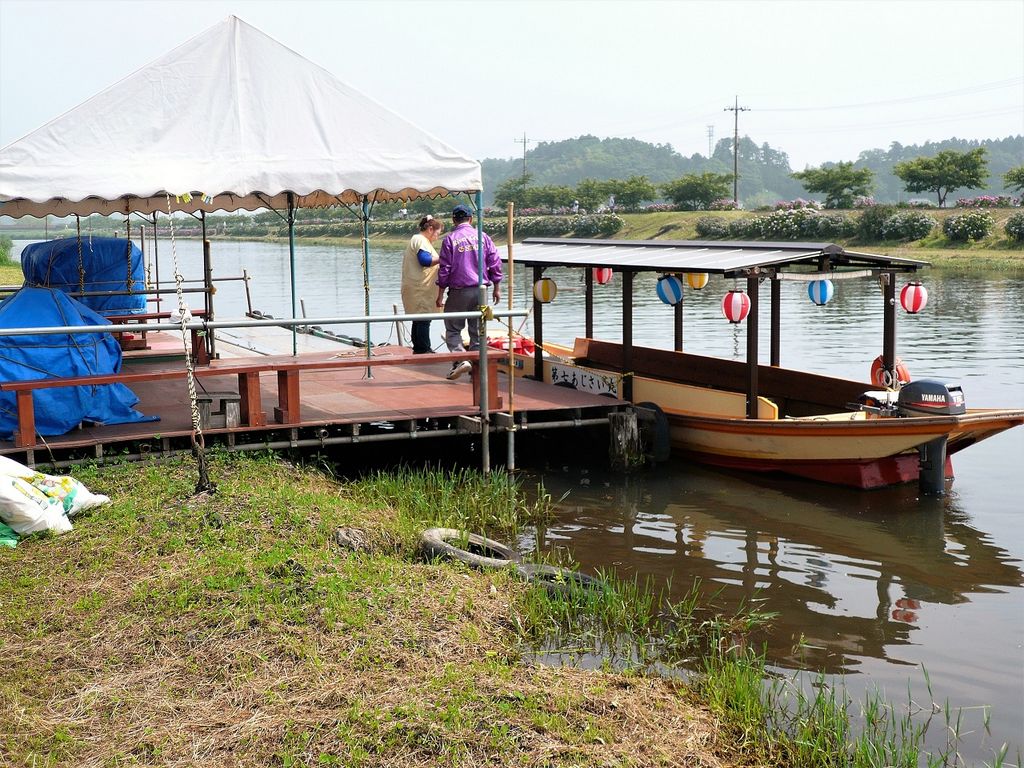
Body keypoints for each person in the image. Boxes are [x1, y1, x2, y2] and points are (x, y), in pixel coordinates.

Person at [436, 203, 502, 380]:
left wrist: (441, 294)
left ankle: (460, 360)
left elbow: (445, 269)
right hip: (481, 291)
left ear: (453, 220)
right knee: (478, 330)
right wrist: (497, 287)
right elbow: (495, 262)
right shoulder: (483, 237)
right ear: (471, 219)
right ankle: (477, 368)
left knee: (453, 328)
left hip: (459, 291)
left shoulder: (450, 239)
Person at [400, 215, 443, 354]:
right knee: (424, 319)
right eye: (437, 233)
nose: (437, 237)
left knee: (418, 319)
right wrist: (444, 257)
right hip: (420, 288)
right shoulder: (420, 239)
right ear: (430, 229)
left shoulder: (419, 240)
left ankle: (419, 348)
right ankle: (424, 349)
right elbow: (425, 260)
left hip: (417, 287)